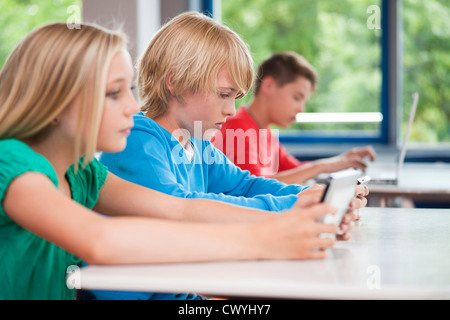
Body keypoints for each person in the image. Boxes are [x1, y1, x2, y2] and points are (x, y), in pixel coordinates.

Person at [0, 22, 343, 300]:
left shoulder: (83, 173)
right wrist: (263, 240)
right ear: (58, 101)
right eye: (114, 93)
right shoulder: (11, 165)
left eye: (129, 90)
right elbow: (101, 240)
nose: (133, 107)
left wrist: (295, 205)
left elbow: (177, 210)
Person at [98, 12, 368, 300]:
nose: (231, 109)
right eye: (224, 94)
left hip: (181, 290)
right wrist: (292, 205)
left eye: (236, 98)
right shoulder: (138, 141)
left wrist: (312, 198)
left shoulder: (196, 143)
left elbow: (244, 185)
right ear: (175, 82)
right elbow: (180, 209)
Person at [212, 51, 377, 184]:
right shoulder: (238, 127)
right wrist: (322, 166)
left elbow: (296, 171)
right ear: (269, 86)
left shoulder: (263, 131)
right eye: (297, 98)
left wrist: (340, 160)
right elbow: (254, 186)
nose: (301, 109)